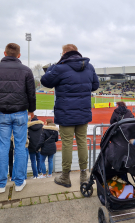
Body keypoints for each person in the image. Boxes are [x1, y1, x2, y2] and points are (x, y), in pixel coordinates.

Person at [41, 44, 99, 187]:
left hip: (66, 113)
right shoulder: (89, 67)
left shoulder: (61, 67)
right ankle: (84, 176)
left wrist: (53, 67)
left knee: (67, 143)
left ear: (65, 52)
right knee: (82, 142)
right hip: (83, 112)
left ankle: (65, 177)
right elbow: (95, 86)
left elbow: (45, 81)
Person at [0, 43, 36, 193]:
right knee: (20, 148)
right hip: (20, 114)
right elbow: (31, 93)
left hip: (3, 114)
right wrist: (31, 110)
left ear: (4, 53)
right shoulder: (26, 70)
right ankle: (19, 182)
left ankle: (0, 184)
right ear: (19, 55)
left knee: (3, 149)